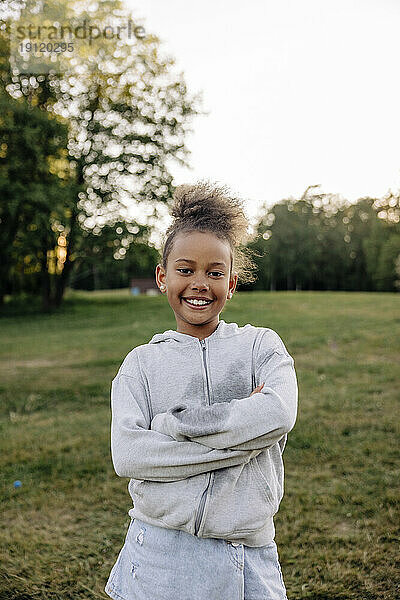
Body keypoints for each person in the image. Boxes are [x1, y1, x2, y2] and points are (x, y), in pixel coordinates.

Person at [104, 181, 298, 600]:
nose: (199, 284)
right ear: (162, 276)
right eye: (185, 269)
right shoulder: (140, 364)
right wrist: (244, 442)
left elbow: (278, 414)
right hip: (159, 552)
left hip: (248, 553)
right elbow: (129, 455)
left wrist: (171, 427)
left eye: (215, 273)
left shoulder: (261, 346)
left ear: (231, 283)